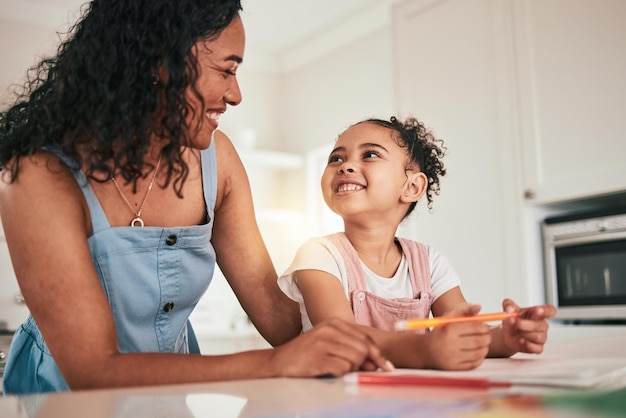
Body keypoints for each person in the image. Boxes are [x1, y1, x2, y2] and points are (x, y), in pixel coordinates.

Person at [0, 0, 393, 394]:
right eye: (226, 70)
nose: (236, 94)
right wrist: (276, 363)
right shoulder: (36, 176)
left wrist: (396, 328)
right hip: (59, 400)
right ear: (158, 63)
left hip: (172, 393)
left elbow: (278, 317)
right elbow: (93, 370)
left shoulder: (217, 160)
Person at [278, 116, 557, 370]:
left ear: (412, 187)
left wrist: (505, 339)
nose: (346, 166)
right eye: (336, 159)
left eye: (370, 154)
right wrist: (425, 349)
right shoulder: (318, 254)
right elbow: (342, 336)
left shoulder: (430, 262)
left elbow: (462, 330)